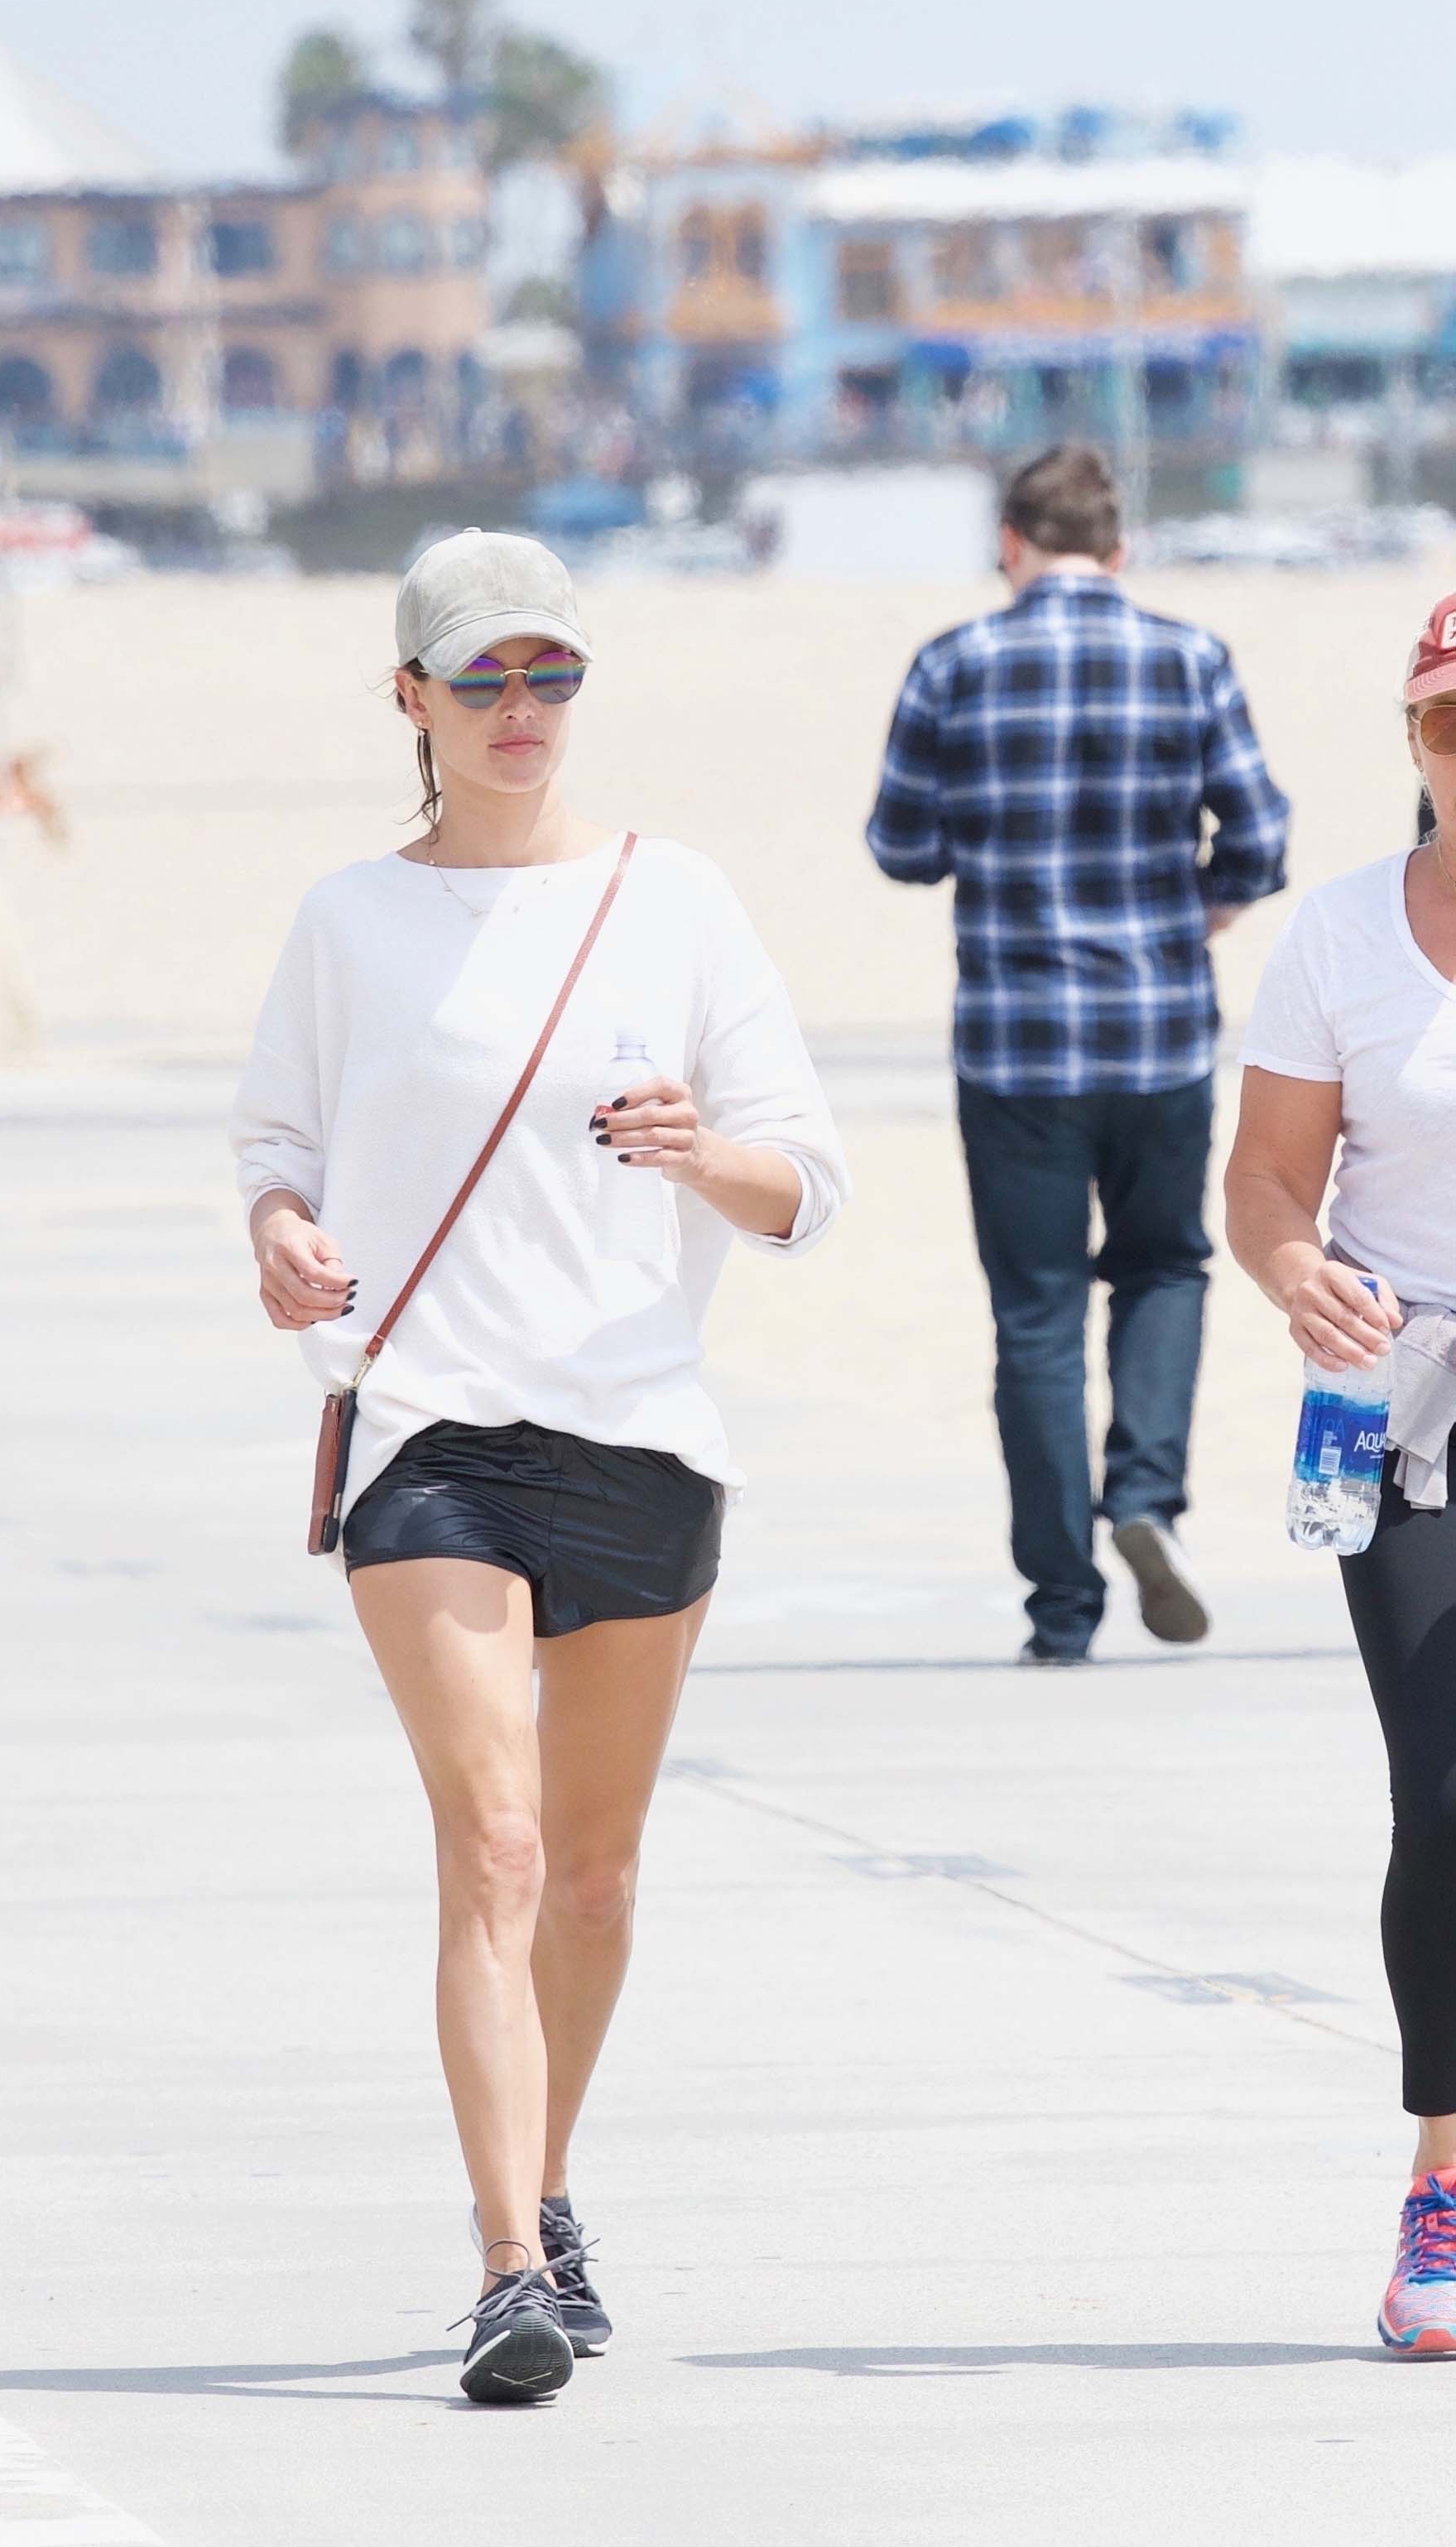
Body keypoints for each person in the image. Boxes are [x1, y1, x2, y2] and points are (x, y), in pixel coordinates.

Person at [230, 529, 847, 2403]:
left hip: (638, 1428)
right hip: (430, 1435)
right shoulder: (349, 918)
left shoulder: (677, 901)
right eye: (481, 679)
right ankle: (507, 2265)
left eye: (549, 675)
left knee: (589, 1873)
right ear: (408, 698)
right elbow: (276, 1143)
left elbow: (804, 1182)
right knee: (489, 1842)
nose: (519, 711)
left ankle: (550, 2186)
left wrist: (695, 1151)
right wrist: (278, 1234)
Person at [867, 444, 1289, 1665]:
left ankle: (1061, 1605)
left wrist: (989, 840)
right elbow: (1259, 830)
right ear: (1117, 548)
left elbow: (900, 843)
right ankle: (1144, 1500)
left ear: (1008, 543)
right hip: (1157, 1033)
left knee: (1035, 1320)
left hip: (1013, 1045)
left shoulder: (953, 663)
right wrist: (1205, 899)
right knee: (1162, 1269)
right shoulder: (1187, 655)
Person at [1225, 588, 1456, 2355]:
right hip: (1391, 1406)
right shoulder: (1337, 939)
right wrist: (1292, 1266)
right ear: (1412, 742)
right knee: (1441, 1796)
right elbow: (1262, 1185)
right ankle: (1436, 2190)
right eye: (1448, 724)